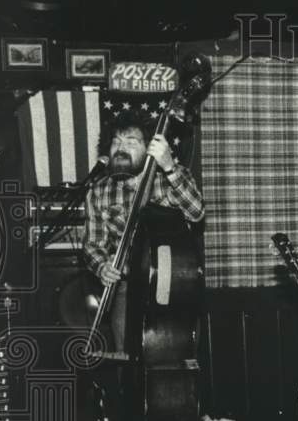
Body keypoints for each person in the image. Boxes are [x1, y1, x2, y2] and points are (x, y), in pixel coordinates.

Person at [82, 116, 205, 355]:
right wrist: (102, 266)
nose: (121, 148)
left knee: (177, 357)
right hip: (126, 287)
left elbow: (196, 212)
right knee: (124, 357)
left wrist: (169, 167)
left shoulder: (171, 179)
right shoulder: (99, 190)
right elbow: (92, 245)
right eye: (116, 142)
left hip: (174, 284)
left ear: (149, 148)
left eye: (131, 141)